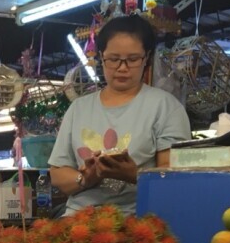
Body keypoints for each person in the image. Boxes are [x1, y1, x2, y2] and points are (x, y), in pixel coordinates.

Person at [48, 15, 191, 217]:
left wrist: (134, 175)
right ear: (101, 57)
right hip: (78, 219)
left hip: (138, 219)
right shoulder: (78, 108)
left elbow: (175, 180)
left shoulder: (166, 107)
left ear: (147, 58)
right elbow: (58, 174)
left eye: (132, 59)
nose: (122, 68)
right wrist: (86, 178)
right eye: (114, 59)